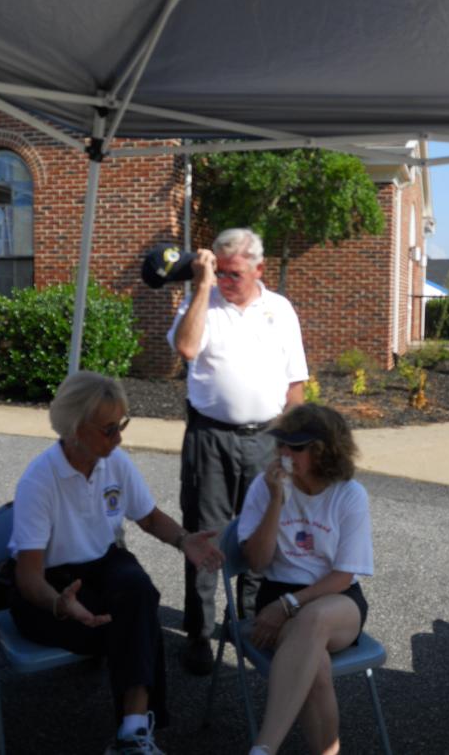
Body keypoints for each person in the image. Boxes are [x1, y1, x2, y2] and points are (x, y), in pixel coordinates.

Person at [8, 371, 224, 754]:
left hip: (100, 566)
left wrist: (184, 539)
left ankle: (132, 731)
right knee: (135, 627)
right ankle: (134, 730)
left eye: (121, 425)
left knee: (138, 592)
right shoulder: (39, 481)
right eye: (109, 429)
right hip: (49, 586)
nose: (119, 437)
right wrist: (60, 603)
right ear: (75, 428)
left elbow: (149, 516)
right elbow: (27, 578)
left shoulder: (115, 462)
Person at [167, 227, 308, 675]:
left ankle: (245, 622)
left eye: (234, 274)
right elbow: (187, 347)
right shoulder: (203, 303)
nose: (227, 281)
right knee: (205, 532)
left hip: (267, 437)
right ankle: (199, 633)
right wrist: (204, 285)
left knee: (261, 533)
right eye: (221, 272)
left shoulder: (280, 310)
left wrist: (293, 445)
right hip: (210, 437)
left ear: (259, 269)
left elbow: (295, 385)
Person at [238, 403, 373, 755]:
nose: (283, 453)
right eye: (281, 444)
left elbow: (345, 575)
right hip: (276, 590)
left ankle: (263, 748)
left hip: (336, 598)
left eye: (295, 447)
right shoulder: (263, 486)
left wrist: (290, 604)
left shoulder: (349, 494)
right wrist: (276, 500)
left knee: (312, 619)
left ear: (323, 450)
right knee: (316, 669)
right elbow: (257, 561)